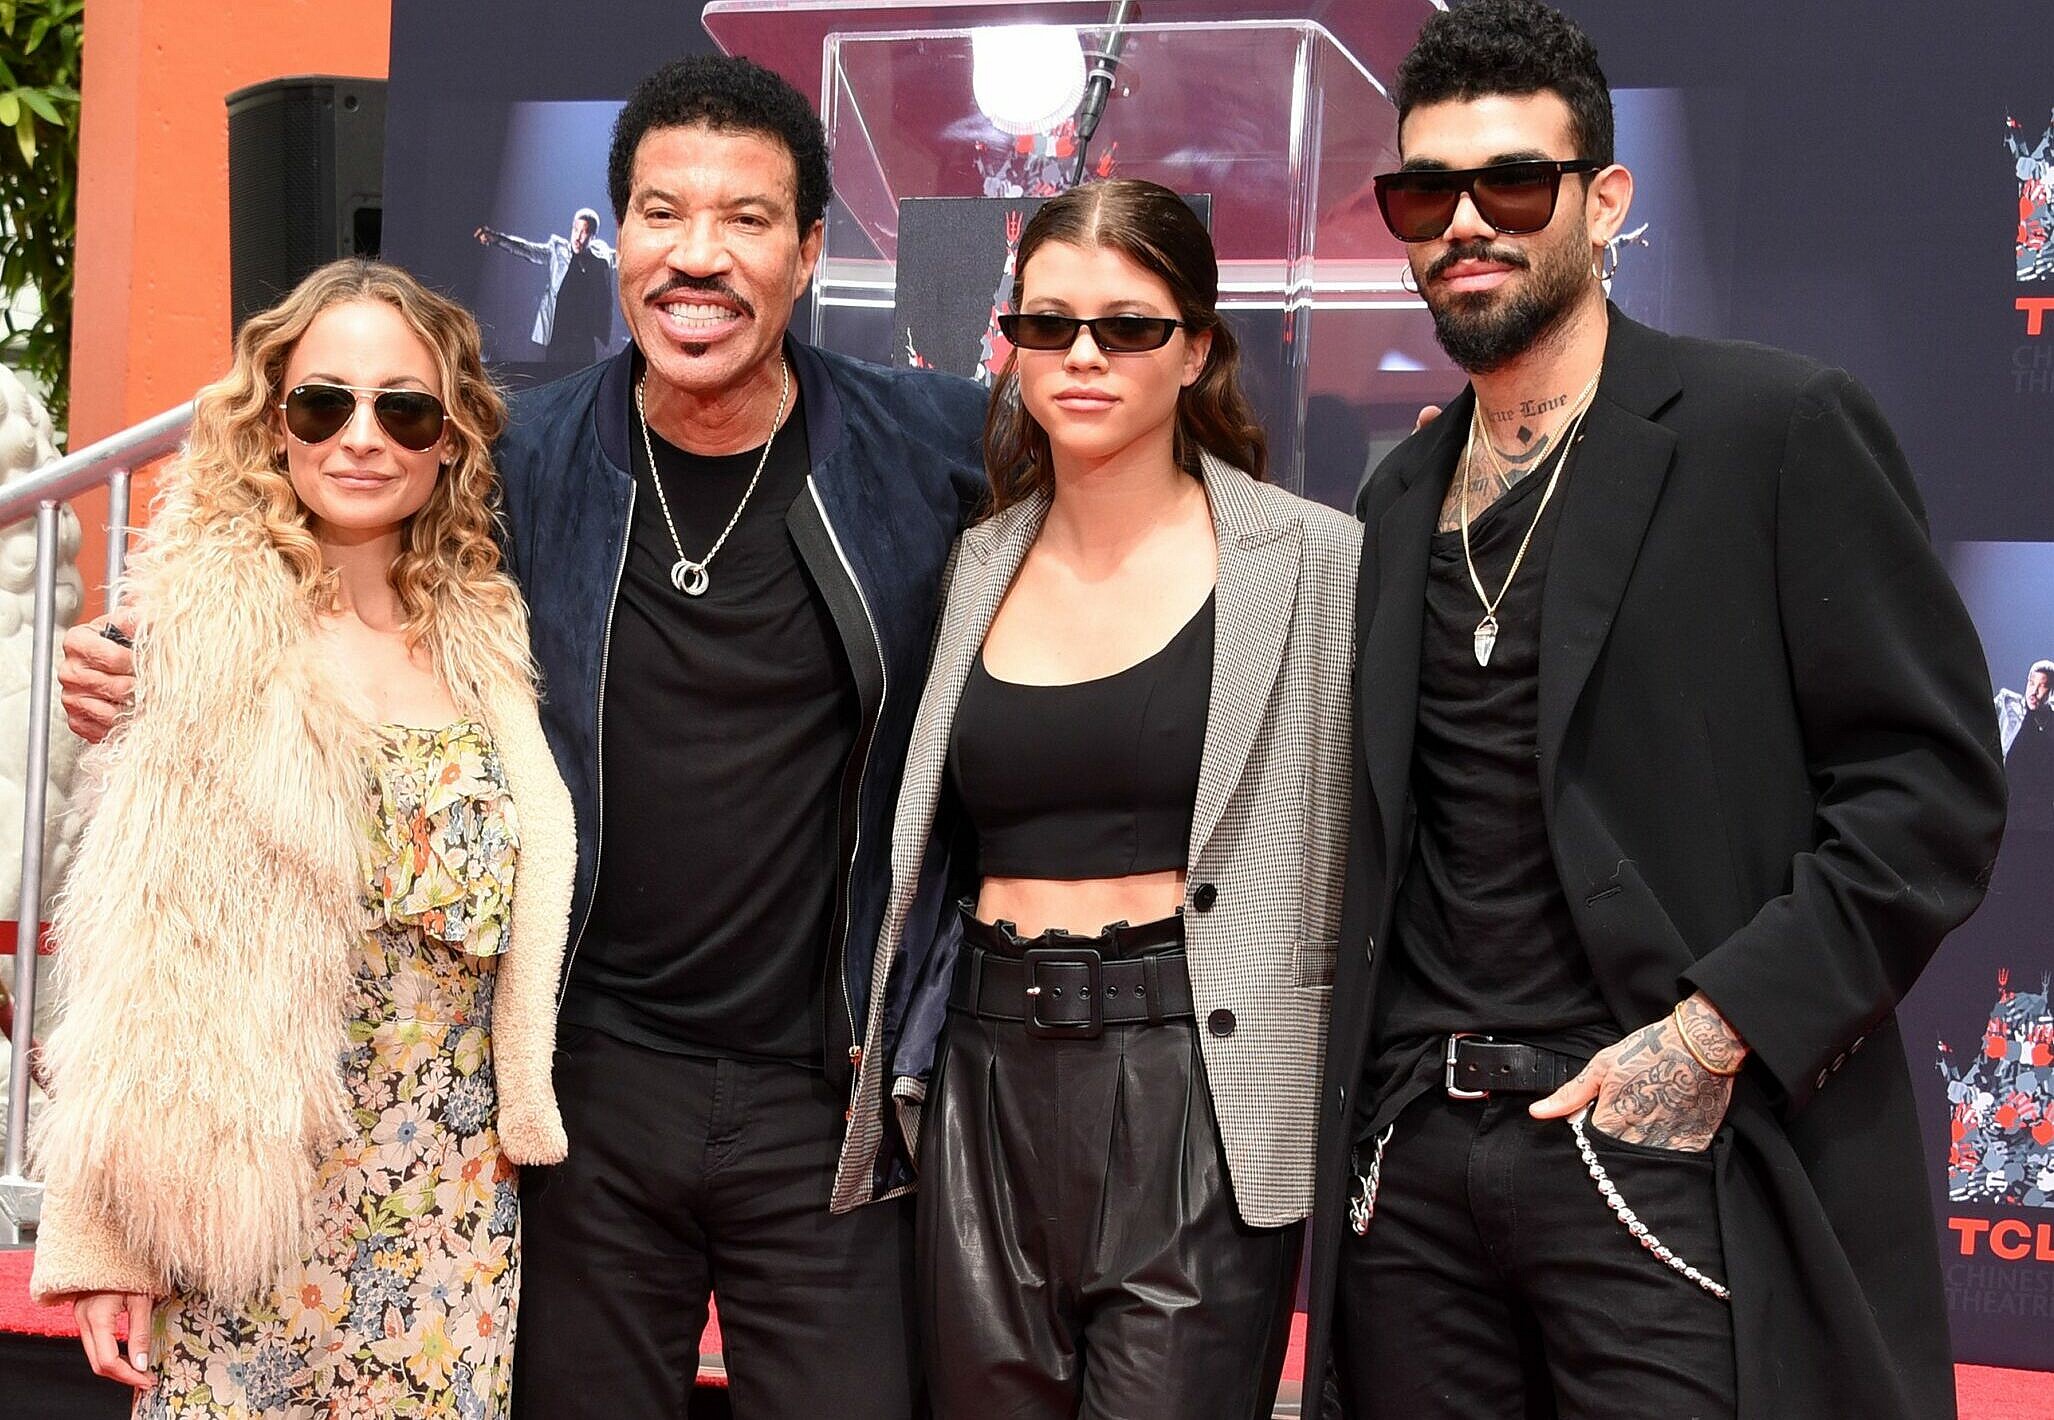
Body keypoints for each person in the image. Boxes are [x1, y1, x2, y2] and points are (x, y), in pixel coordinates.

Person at [1299, 4, 2007, 1418]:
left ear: (1603, 200)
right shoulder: (1387, 497)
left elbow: (1928, 792)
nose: (1462, 224)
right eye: (1420, 191)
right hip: (1418, 1168)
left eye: (1510, 182)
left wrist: (1707, 1038)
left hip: (1663, 1149)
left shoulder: (1770, 431)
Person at [29, 258, 576, 1417]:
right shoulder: (192, 635)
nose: (361, 437)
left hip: (451, 1210)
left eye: (404, 407)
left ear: (449, 439)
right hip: (244, 1207)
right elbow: (129, 958)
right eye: (324, 403)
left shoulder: (488, 636)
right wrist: (102, 1243)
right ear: (275, 427)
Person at [850, 179, 1360, 1419]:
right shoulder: (973, 560)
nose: (1082, 356)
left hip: (1195, 1076)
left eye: (1127, 326)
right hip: (982, 1074)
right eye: (1047, 324)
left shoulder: (1312, 561)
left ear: (1193, 349)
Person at [475, 207, 618, 367]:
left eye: (584, 232)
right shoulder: (558, 251)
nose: (578, 237)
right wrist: (497, 239)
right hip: (558, 337)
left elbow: (624, 256)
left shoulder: (601, 258)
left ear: (593, 236)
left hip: (583, 340)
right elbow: (528, 250)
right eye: (575, 230)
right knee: (554, 377)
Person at [1995, 658, 2053, 756]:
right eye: (2032, 683)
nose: (2034, 691)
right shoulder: (2006, 703)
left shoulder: (2050, 724)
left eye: (2042, 686)